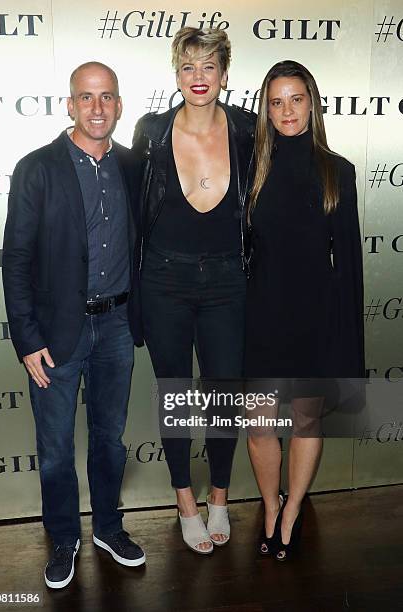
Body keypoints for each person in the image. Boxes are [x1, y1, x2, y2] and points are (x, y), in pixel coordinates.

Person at [2, 61, 145, 589]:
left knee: (110, 440)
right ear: (69, 104)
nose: (97, 108)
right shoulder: (36, 168)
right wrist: (27, 338)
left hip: (115, 328)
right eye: (86, 97)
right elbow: (15, 258)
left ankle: (108, 527)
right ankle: (64, 537)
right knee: (57, 448)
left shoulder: (132, 166)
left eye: (106, 97)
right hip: (56, 334)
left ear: (119, 104)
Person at [132, 27, 255, 554]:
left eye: (209, 66)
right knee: (177, 393)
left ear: (225, 75)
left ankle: (220, 498)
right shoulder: (152, 130)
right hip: (165, 278)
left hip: (229, 279)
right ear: (176, 75)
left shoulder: (250, 130)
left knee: (224, 394)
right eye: (188, 67)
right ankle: (185, 500)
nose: (198, 77)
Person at [244, 60, 364, 561]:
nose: (287, 110)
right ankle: (270, 506)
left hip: (316, 318)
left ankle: (292, 511)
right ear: (266, 110)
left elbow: (351, 269)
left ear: (312, 103)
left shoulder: (339, 172)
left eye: (296, 99)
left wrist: (347, 350)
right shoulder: (250, 169)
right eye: (276, 101)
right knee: (258, 425)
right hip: (261, 317)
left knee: (306, 422)